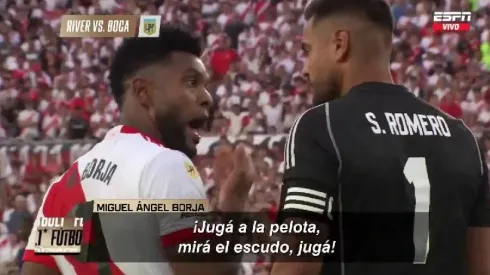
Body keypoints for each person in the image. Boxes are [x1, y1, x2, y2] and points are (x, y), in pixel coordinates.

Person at [271, 1, 490, 275]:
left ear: (340, 44)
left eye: (308, 51)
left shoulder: (320, 126)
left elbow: (297, 265)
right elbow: (482, 266)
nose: (305, 68)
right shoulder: (463, 137)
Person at [21, 26, 255, 275]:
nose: (207, 97)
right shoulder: (165, 165)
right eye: (191, 82)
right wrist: (234, 205)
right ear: (144, 93)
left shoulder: (63, 186)